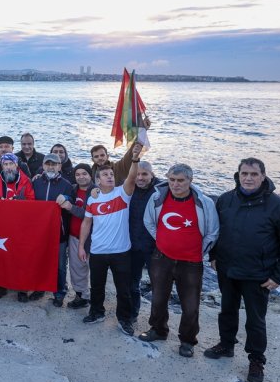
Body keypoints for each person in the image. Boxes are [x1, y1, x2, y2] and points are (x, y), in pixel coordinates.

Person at [204, 158, 280, 382]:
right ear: (238, 175)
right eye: (244, 173)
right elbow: (216, 231)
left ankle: (256, 360)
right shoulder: (226, 200)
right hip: (227, 269)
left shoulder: (278, 206)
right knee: (226, 311)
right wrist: (214, 255)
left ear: (263, 176)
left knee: (255, 321)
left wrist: (278, 276)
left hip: (258, 273)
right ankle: (226, 345)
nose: (248, 178)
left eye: (253, 174)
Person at [140, 163, 219, 358]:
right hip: (162, 257)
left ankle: (187, 340)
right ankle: (158, 330)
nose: (176, 184)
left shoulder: (204, 202)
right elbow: (149, 221)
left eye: (181, 181)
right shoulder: (158, 197)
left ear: (190, 181)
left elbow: (212, 232)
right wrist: (161, 240)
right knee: (158, 298)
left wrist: (199, 252)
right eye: (172, 180)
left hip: (191, 262)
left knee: (190, 305)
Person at [78, 143, 141, 336]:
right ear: (97, 181)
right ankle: (97, 313)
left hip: (121, 251)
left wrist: (135, 158)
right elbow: (86, 223)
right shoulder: (93, 198)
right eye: (105, 175)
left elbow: (131, 176)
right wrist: (81, 246)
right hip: (97, 251)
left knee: (124, 289)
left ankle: (124, 319)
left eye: (112, 175)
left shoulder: (123, 193)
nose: (110, 177)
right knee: (97, 287)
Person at [0, 153, 35, 300]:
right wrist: (0, 201)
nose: (8, 167)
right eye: (5, 165)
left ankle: (22, 288)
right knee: (2, 255)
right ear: (2, 166)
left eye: (11, 164)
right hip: (2, 224)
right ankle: (1, 286)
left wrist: (22, 202)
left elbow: (32, 202)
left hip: (21, 225)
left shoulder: (26, 181)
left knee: (21, 255)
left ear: (16, 165)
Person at [32, 153, 73, 306]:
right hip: (39, 232)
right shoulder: (35, 182)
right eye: (48, 164)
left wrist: (67, 199)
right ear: (43, 166)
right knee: (40, 261)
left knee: (60, 265)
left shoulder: (67, 185)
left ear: (59, 166)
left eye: (54, 164)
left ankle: (59, 292)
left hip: (59, 233)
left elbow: (72, 202)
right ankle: (40, 288)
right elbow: (27, 201)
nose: (50, 167)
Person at [58, 163, 96, 309]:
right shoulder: (73, 189)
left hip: (92, 238)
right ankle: (81, 296)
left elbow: (88, 214)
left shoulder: (96, 191)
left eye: (84, 173)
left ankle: (96, 297)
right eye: (78, 174)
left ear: (90, 175)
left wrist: (70, 207)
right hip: (74, 235)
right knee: (76, 268)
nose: (81, 177)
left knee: (93, 269)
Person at [127, 161, 160, 323]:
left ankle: (157, 323)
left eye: (144, 174)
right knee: (133, 283)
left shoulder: (161, 191)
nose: (140, 178)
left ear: (152, 175)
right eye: (137, 174)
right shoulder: (129, 189)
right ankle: (133, 313)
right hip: (133, 246)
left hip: (154, 247)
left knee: (159, 287)